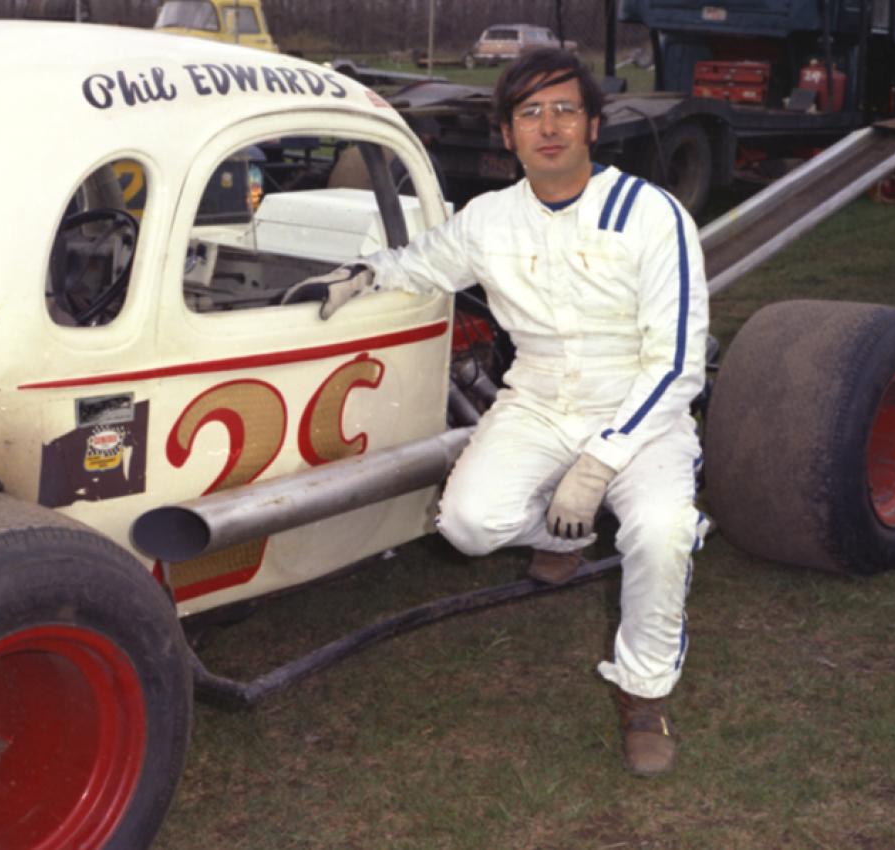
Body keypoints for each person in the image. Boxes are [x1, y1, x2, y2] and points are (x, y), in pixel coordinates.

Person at [287, 48, 709, 777]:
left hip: (642, 406)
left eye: (565, 110)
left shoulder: (652, 214)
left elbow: (677, 364)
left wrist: (597, 465)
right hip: (538, 398)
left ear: (593, 125)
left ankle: (644, 695)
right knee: (468, 523)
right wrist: (364, 275)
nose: (549, 127)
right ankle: (568, 534)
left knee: (662, 532)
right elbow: (422, 261)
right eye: (530, 113)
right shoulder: (489, 218)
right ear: (508, 135)